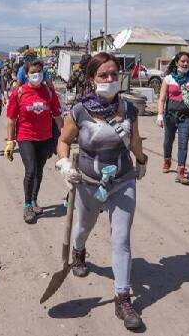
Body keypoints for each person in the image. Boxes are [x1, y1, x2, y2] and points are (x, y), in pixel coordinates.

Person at [56, 52, 148, 330]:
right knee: (83, 227)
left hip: (122, 181)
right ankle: (79, 250)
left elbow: (134, 141)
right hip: (88, 183)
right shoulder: (80, 111)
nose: (110, 80)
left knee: (121, 239)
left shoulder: (129, 109)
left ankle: (123, 298)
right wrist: (63, 163)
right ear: (91, 79)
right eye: (103, 75)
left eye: (112, 74)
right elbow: (63, 141)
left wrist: (141, 161)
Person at [4, 60, 64, 223]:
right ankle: (27, 205)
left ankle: (34, 199)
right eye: (33, 72)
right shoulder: (19, 93)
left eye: (39, 71)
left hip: (45, 138)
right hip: (25, 137)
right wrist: (10, 141)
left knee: (39, 171)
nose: (36, 75)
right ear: (26, 74)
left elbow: (57, 116)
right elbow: (11, 119)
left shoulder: (49, 92)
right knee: (30, 170)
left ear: (43, 73)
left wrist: (64, 136)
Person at [156, 52, 189, 185]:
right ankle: (167, 159)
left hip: (186, 117)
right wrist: (160, 115)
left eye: (187, 62)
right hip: (170, 116)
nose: (185, 64)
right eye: (183, 61)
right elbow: (162, 99)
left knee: (183, 143)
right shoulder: (168, 79)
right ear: (176, 63)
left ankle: (181, 171)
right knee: (168, 141)